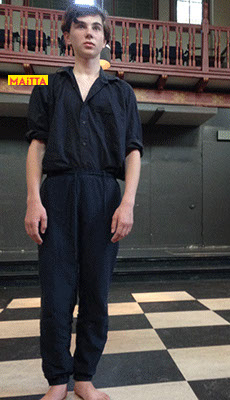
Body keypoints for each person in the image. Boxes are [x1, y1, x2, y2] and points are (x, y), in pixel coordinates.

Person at [24, 5, 142, 400]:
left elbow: (133, 151)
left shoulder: (122, 92)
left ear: (105, 39)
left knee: (96, 292)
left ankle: (85, 378)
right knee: (56, 291)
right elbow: (37, 146)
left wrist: (127, 203)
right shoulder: (47, 85)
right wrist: (33, 199)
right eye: (81, 27)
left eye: (96, 28)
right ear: (67, 36)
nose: (89, 33)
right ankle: (58, 380)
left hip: (104, 194)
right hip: (57, 192)